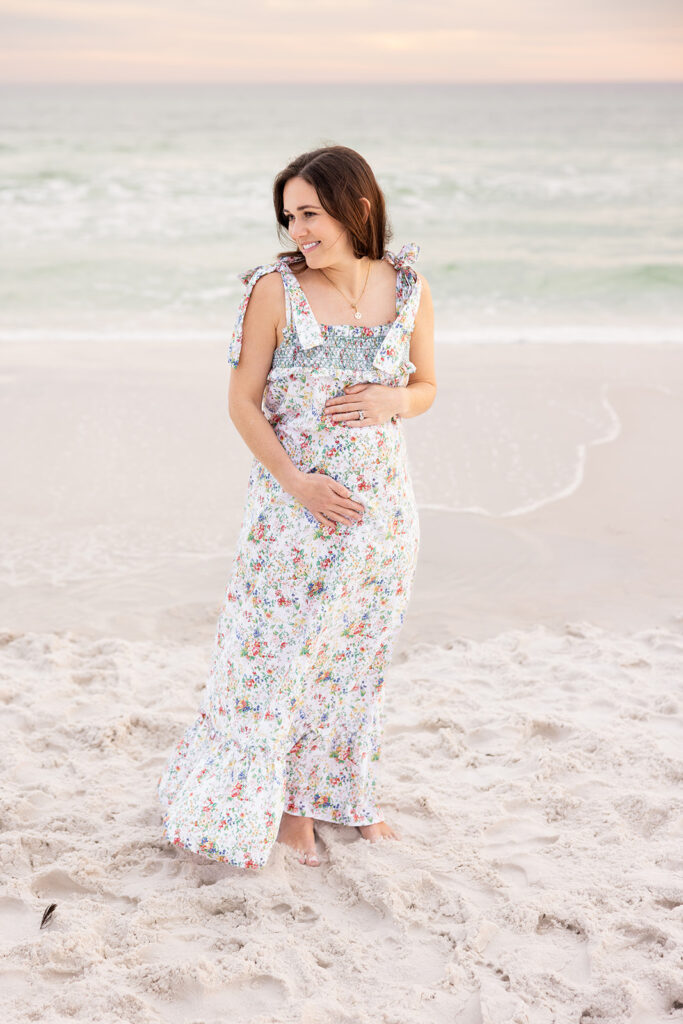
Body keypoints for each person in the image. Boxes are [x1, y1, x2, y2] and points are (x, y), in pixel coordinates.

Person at [157, 144, 436, 870]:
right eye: (289, 216)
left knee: (355, 658)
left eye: (310, 212)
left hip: (382, 511)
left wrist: (393, 399)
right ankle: (283, 808)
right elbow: (241, 403)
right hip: (295, 510)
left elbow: (428, 386)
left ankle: (342, 798)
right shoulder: (273, 290)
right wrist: (296, 482)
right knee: (274, 658)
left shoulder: (406, 288)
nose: (298, 230)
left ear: (358, 207)